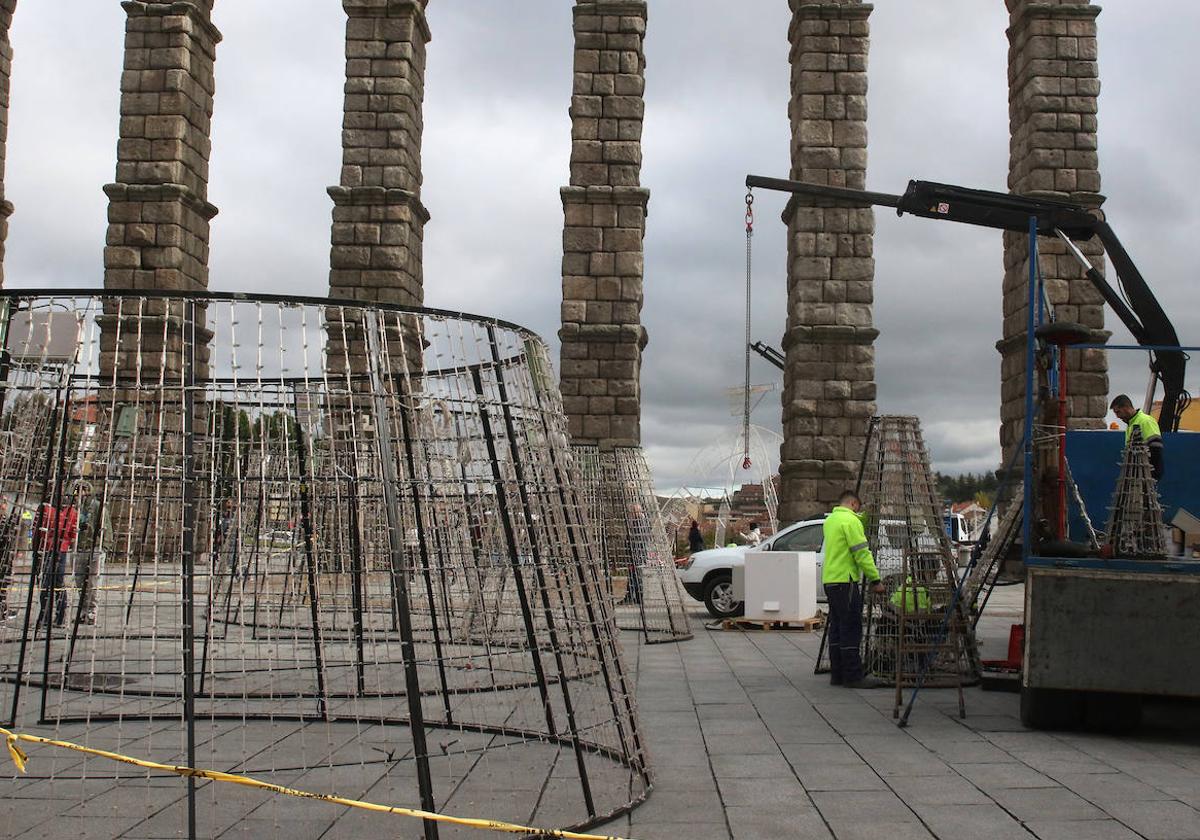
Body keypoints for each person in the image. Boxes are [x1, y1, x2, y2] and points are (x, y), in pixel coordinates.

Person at [822, 490, 886, 689]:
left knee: (837, 627)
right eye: (858, 508)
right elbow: (862, 554)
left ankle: (838, 673)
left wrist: (864, 517)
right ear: (853, 504)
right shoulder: (851, 522)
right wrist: (875, 579)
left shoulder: (831, 521)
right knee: (851, 627)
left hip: (830, 580)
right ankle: (853, 676)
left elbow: (854, 526)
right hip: (845, 581)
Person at [72, 482, 112, 625]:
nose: (78, 495)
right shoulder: (76, 508)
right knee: (80, 581)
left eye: (82, 491)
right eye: (77, 491)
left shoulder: (97, 507)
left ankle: (92, 612)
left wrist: (103, 547)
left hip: (94, 548)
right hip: (80, 548)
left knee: (93, 582)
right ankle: (83, 611)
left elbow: (105, 527)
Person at [36, 497, 79, 628]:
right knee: (51, 583)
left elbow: (73, 533)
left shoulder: (68, 511)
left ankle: (51, 617)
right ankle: (51, 617)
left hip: (54, 549)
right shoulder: (67, 511)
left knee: (51, 582)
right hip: (53, 549)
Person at [1110, 394, 1164, 481]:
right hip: (1136, 475)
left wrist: (1150, 475)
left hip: (1145, 475)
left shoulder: (1145, 421)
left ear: (1126, 407)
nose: (1117, 416)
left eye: (1118, 412)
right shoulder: (1131, 425)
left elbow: (1156, 448)